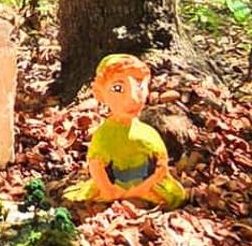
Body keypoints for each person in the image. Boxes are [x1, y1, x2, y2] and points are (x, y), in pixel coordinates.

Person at [64, 55, 185, 209]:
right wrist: (109, 189)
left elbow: (161, 165)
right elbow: (96, 166)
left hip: (147, 185)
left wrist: (144, 187)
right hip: (112, 185)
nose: (133, 98)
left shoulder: (148, 134)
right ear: (99, 93)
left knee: (174, 195)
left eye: (140, 87)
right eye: (118, 88)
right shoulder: (103, 136)